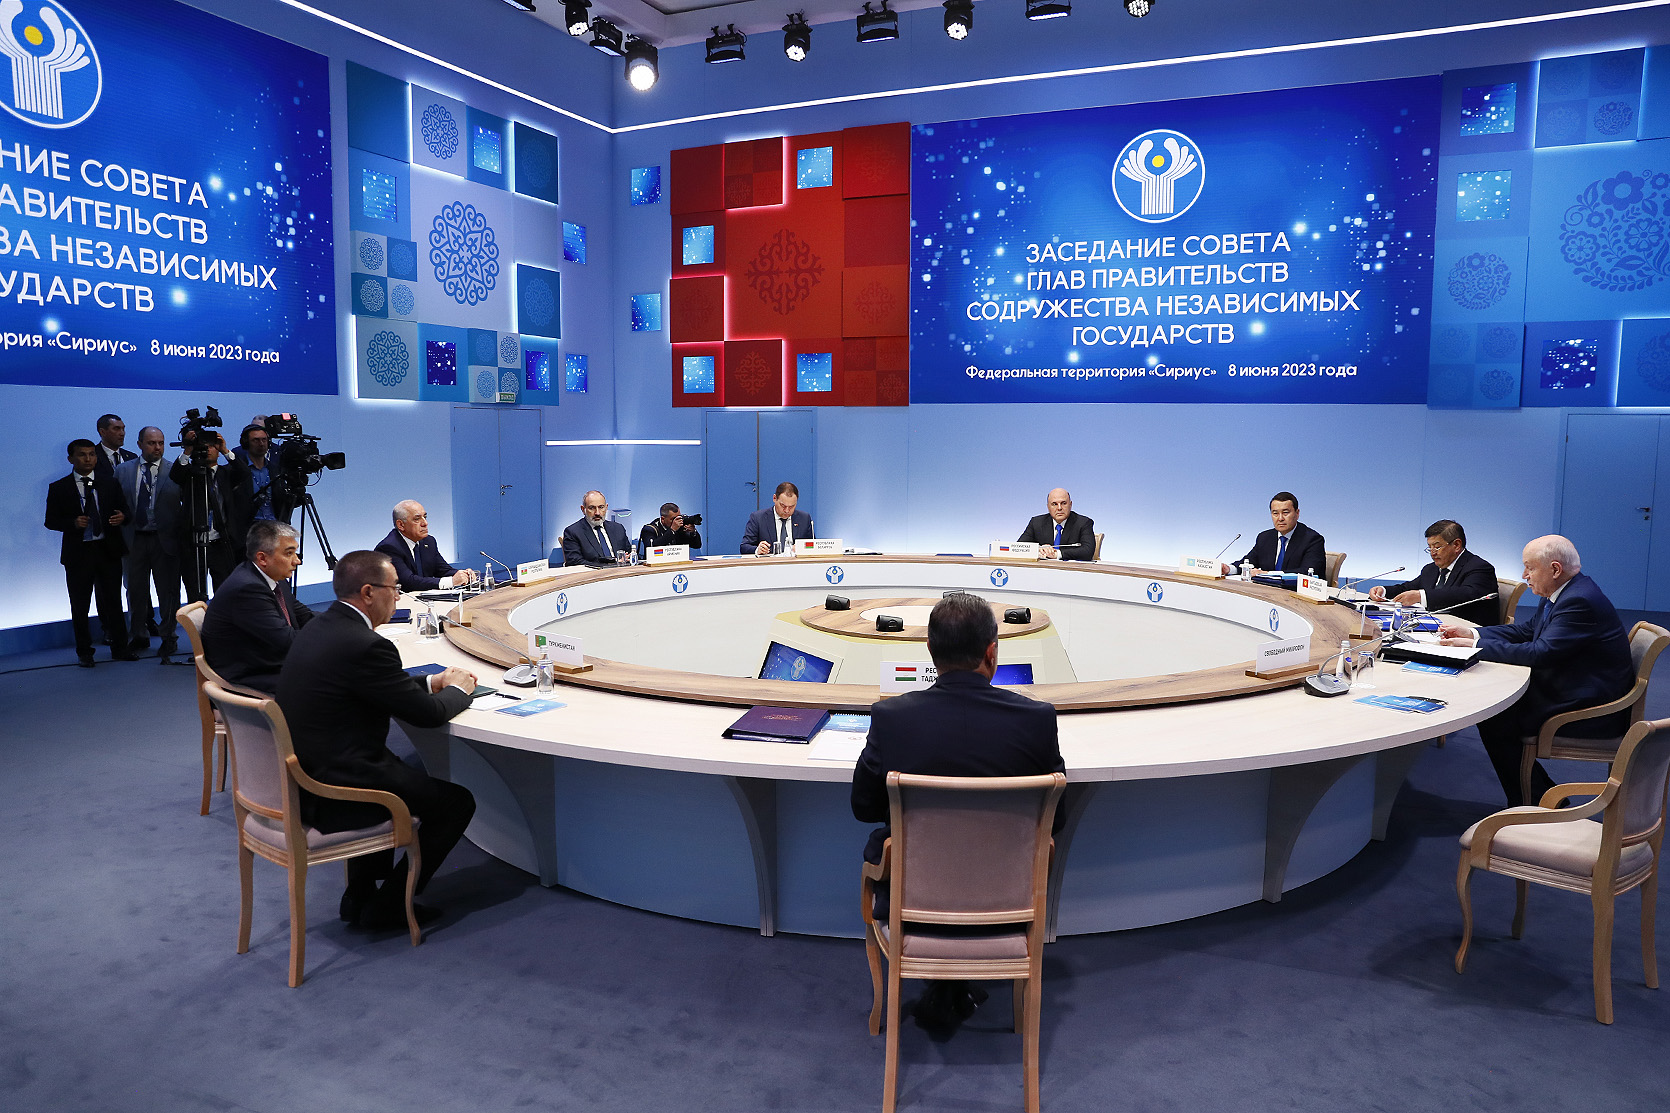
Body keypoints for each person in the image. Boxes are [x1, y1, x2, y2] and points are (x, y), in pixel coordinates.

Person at [851, 592, 1065, 1031]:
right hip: (1010, 909)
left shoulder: (892, 718)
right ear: (992, 652)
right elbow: (1055, 820)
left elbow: (863, 807)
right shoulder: (1037, 720)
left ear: (930, 650)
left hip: (911, 907)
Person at [276, 550, 479, 931]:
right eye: (395, 588)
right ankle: (390, 906)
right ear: (368, 592)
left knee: (397, 768)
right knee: (456, 803)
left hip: (307, 772)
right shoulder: (367, 644)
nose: (399, 597)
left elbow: (370, 685)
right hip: (338, 786)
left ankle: (359, 895)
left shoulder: (321, 627)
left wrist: (429, 682)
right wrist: (458, 690)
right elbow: (428, 716)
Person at [1438, 535, 1634, 807]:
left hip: (1590, 707)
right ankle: (1540, 797)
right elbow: (1527, 631)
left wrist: (1473, 647)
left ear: (1555, 569)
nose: (1524, 575)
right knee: (1495, 709)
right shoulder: (1564, 589)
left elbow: (1540, 653)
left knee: (1495, 715)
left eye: (1529, 567)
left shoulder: (1579, 601)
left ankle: (1532, 802)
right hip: (1570, 685)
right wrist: (1473, 633)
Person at [45, 439, 133, 666]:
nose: (88, 459)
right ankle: (84, 652)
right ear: (70, 459)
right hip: (79, 553)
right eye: (82, 455)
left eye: (92, 454)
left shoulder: (109, 483)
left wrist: (122, 517)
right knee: (80, 604)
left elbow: (126, 511)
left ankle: (120, 648)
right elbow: (50, 521)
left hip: (107, 550)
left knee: (113, 601)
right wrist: (72, 523)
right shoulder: (59, 487)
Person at [202, 521, 315, 694]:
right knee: (339, 676)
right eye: (289, 553)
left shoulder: (272, 578)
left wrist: (345, 624)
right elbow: (287, 642)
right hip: (251, 675)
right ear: (262, 558)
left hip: (268, 660)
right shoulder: (247, 589)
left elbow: (304, 616)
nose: (297, 561)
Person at [114, 426, 183, 658]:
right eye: (152, 443)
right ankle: (138, 635)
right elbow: (116, 501)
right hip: (133, 538)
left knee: (168, 591)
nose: (157, 447)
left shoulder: (175, 471)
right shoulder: (123, 470)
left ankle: (169, 637)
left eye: (161, 443)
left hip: (165, 540)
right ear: (140, 444)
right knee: (135, 591)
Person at [171, 431, 252, 601]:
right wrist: (188, 449)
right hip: (193, 543)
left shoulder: (225, 473)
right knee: (195, 594)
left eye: (212, 445)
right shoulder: (190, 474)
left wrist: (225, 450)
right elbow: (175, 475)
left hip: (221, 542)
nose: (207, 449)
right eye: (203, 445)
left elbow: (244, 472)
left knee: (225, 593)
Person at [1369, 519, 1498, 625]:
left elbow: (1466, 594)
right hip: (1433, 628)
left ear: (1457, 545)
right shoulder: (1430, 569)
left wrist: (1421, 596)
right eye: (1429, 547)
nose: (1432, 553)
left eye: (1437, 547)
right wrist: (1383, 591)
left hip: (1466, 633)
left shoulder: (1479, 568)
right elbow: (1408, 588)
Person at [376, 500, 478, 591]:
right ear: (401, 525)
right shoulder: (389, 547)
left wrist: (463, 575)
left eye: (425, 517)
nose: (425, 523)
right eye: (417, 519)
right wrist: (451, 581)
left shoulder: (428, 541)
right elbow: (408, 582)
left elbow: (443, 570)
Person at [1223, 491, 1326, 578]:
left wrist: (1268, 574)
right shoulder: (1265, 537)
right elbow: (1248, 562)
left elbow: (1308, 572)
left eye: (1285, 513)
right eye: (1275, 513)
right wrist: (1228, 569)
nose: (1280, 518)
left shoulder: (1312, 539)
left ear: (1297, 513)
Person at [1017, 488, 1095, 561]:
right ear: (1048, 507)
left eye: (1063, 503)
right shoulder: (1036, 522)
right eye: (1054, 504)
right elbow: (1018, 548)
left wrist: (1057, 554)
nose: (1059, 508)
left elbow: (1088, 551)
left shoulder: (1083, 523)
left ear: (1070, 504)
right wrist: (1039, 549)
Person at [741, 482, 814, 555]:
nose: (787, 510)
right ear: (774, 498)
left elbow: (813, 547)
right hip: (769, 562)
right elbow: (744, 547)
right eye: (783, 505)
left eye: (791, 506)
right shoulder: (758, 518)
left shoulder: (804, 518)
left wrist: (802, 547)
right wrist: (758, 550)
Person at [562, 490, 631, 567]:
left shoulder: (618, 528)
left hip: (622, 572)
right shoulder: (573, 532)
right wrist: (612, 564)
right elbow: (575, 562)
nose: (597, 513)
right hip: (593, 574)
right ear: (583, 509)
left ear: (606, 508)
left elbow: (630, 555)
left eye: (601, 507)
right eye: (592, 508)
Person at [233, 423, 284, 525]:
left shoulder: (276, 470)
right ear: (246, 443)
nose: (261, 444)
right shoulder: (237, 470)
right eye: (256, 440)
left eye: (264, 440)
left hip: (275, 526)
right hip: (248, 527)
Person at [638, 502, 703, 555]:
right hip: (656, 564)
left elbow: (696, 545)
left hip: (678, 563)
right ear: (663, 519)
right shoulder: (649, 529)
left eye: (678, 517)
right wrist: (672, 530)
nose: (676, 521)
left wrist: (693, 532)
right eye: (673, 519)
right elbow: (651, 548)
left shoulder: (680, 527)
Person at [92, 414, 136, 479]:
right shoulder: (92, 456)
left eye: (123, 429)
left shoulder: (132, 457)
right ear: (102, 432)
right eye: (116, 429)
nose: (122, 433)